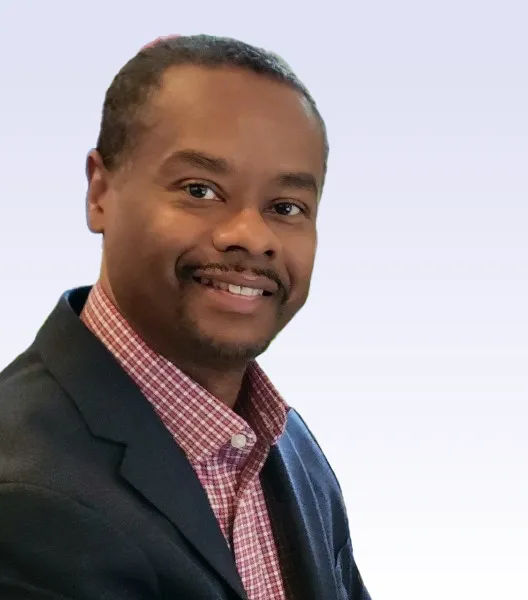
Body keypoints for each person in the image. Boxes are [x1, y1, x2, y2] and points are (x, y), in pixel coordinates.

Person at [0, 35, 371, 600]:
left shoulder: (291, 450)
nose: (252, 236)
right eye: (201, 190)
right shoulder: (25, 493)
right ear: (100, 192)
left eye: (286, 207)